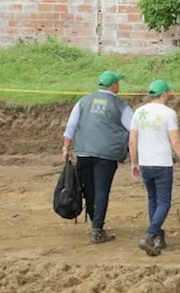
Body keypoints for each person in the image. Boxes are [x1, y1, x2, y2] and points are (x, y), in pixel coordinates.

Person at [62, 70, 133, 244]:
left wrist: (65, 147)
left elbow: (71, 125)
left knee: (88, 188)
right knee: (102, 190)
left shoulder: (83, 101)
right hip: (107, 155)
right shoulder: (120, 105)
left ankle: (96, 223)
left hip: (84, 152)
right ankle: (97, 229)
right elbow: (134, 129)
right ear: (114, 85)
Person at [129, 79, 180, 257]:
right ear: (164, 93)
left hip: (145, 163)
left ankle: (157, 237)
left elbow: (132, 140)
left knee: (153, 200)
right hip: (162, 163)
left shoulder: (139, 112)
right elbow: (176, 142)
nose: (170, 95)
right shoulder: (168, 114)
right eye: (168, 92)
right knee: (164, 202)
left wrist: (134, 162)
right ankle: (150, 234)